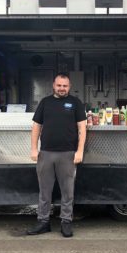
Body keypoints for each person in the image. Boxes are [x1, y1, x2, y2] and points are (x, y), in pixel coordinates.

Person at [27, 73, 87, 237]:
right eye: (59, 85)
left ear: (69, 86)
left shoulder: (76, 103)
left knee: (68, 191)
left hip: (68, 154)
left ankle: (66, 222)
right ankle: (43, 222)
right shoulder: (45, 102)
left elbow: (82, 129)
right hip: (46, 153)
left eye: (65, 86)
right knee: (44, 191)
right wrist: (34, 149)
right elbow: (36, 127)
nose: (62, 88)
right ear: (53, 85)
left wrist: (80, 151)